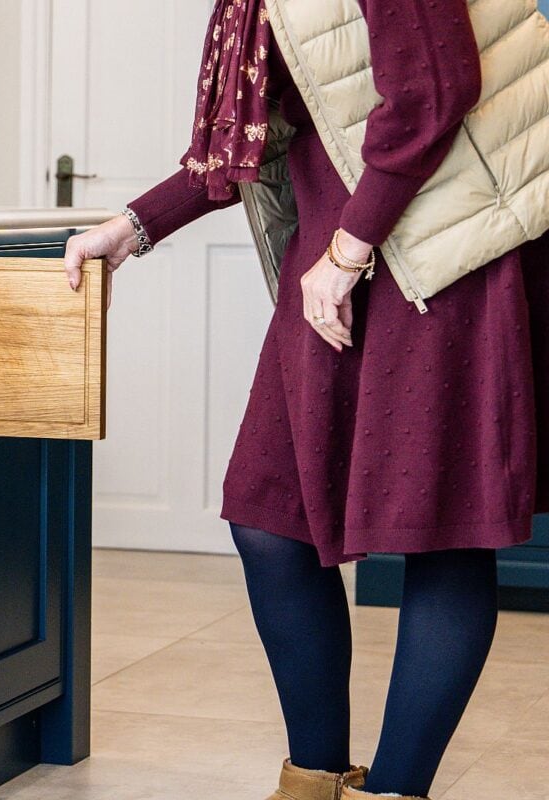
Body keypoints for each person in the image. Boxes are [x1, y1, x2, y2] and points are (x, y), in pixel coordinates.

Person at [63, 1, 549, 798]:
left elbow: (436, 89)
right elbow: (266, 135)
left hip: (440, 257)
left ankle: (392, 790)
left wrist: (348, 253)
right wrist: (135, 226)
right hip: (339, 255)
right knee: (268, 519)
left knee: (444, 534)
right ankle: (314, 782)